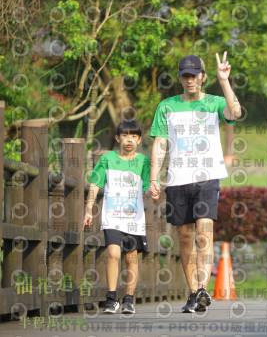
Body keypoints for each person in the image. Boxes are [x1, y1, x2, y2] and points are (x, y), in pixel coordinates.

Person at [148, 53, 241, 313]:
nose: (190, 80)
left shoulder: (213, 102)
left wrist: (224, 81)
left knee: (204, 230)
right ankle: (194, 293)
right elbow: (161, 143)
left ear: (203, 77)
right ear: (181, 78)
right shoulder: (167, 106)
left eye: (194, 75)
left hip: (207, 176)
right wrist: (154, 178)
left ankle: (202, 288)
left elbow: (235, 112)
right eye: (185, 76)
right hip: (178, 178)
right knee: (185, 236)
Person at [83, 120, 152, 314]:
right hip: (112, 216)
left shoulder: (144, 161)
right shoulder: (107, 159)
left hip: (134, 218)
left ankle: (128, 299)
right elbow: (95, 184)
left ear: (139, 140)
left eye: (133, 136)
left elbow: (146, 188)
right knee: (113, 254)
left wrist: (153, 193)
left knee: (131, 258)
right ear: (118, 138)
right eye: (125, 135)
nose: (129, 140)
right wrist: (89, 209)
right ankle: (112, 298)